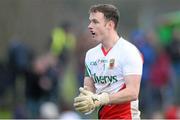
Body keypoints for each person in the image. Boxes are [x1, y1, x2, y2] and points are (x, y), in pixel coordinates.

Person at [73, 4, 143, 119]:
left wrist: (102, 98)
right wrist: (86, 100)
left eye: (95, 22)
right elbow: (89, 89)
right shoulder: (90, 55)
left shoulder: (129, 51)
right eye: (90, 21)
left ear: (110, 25)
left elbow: (133, 92)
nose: (90, 26)